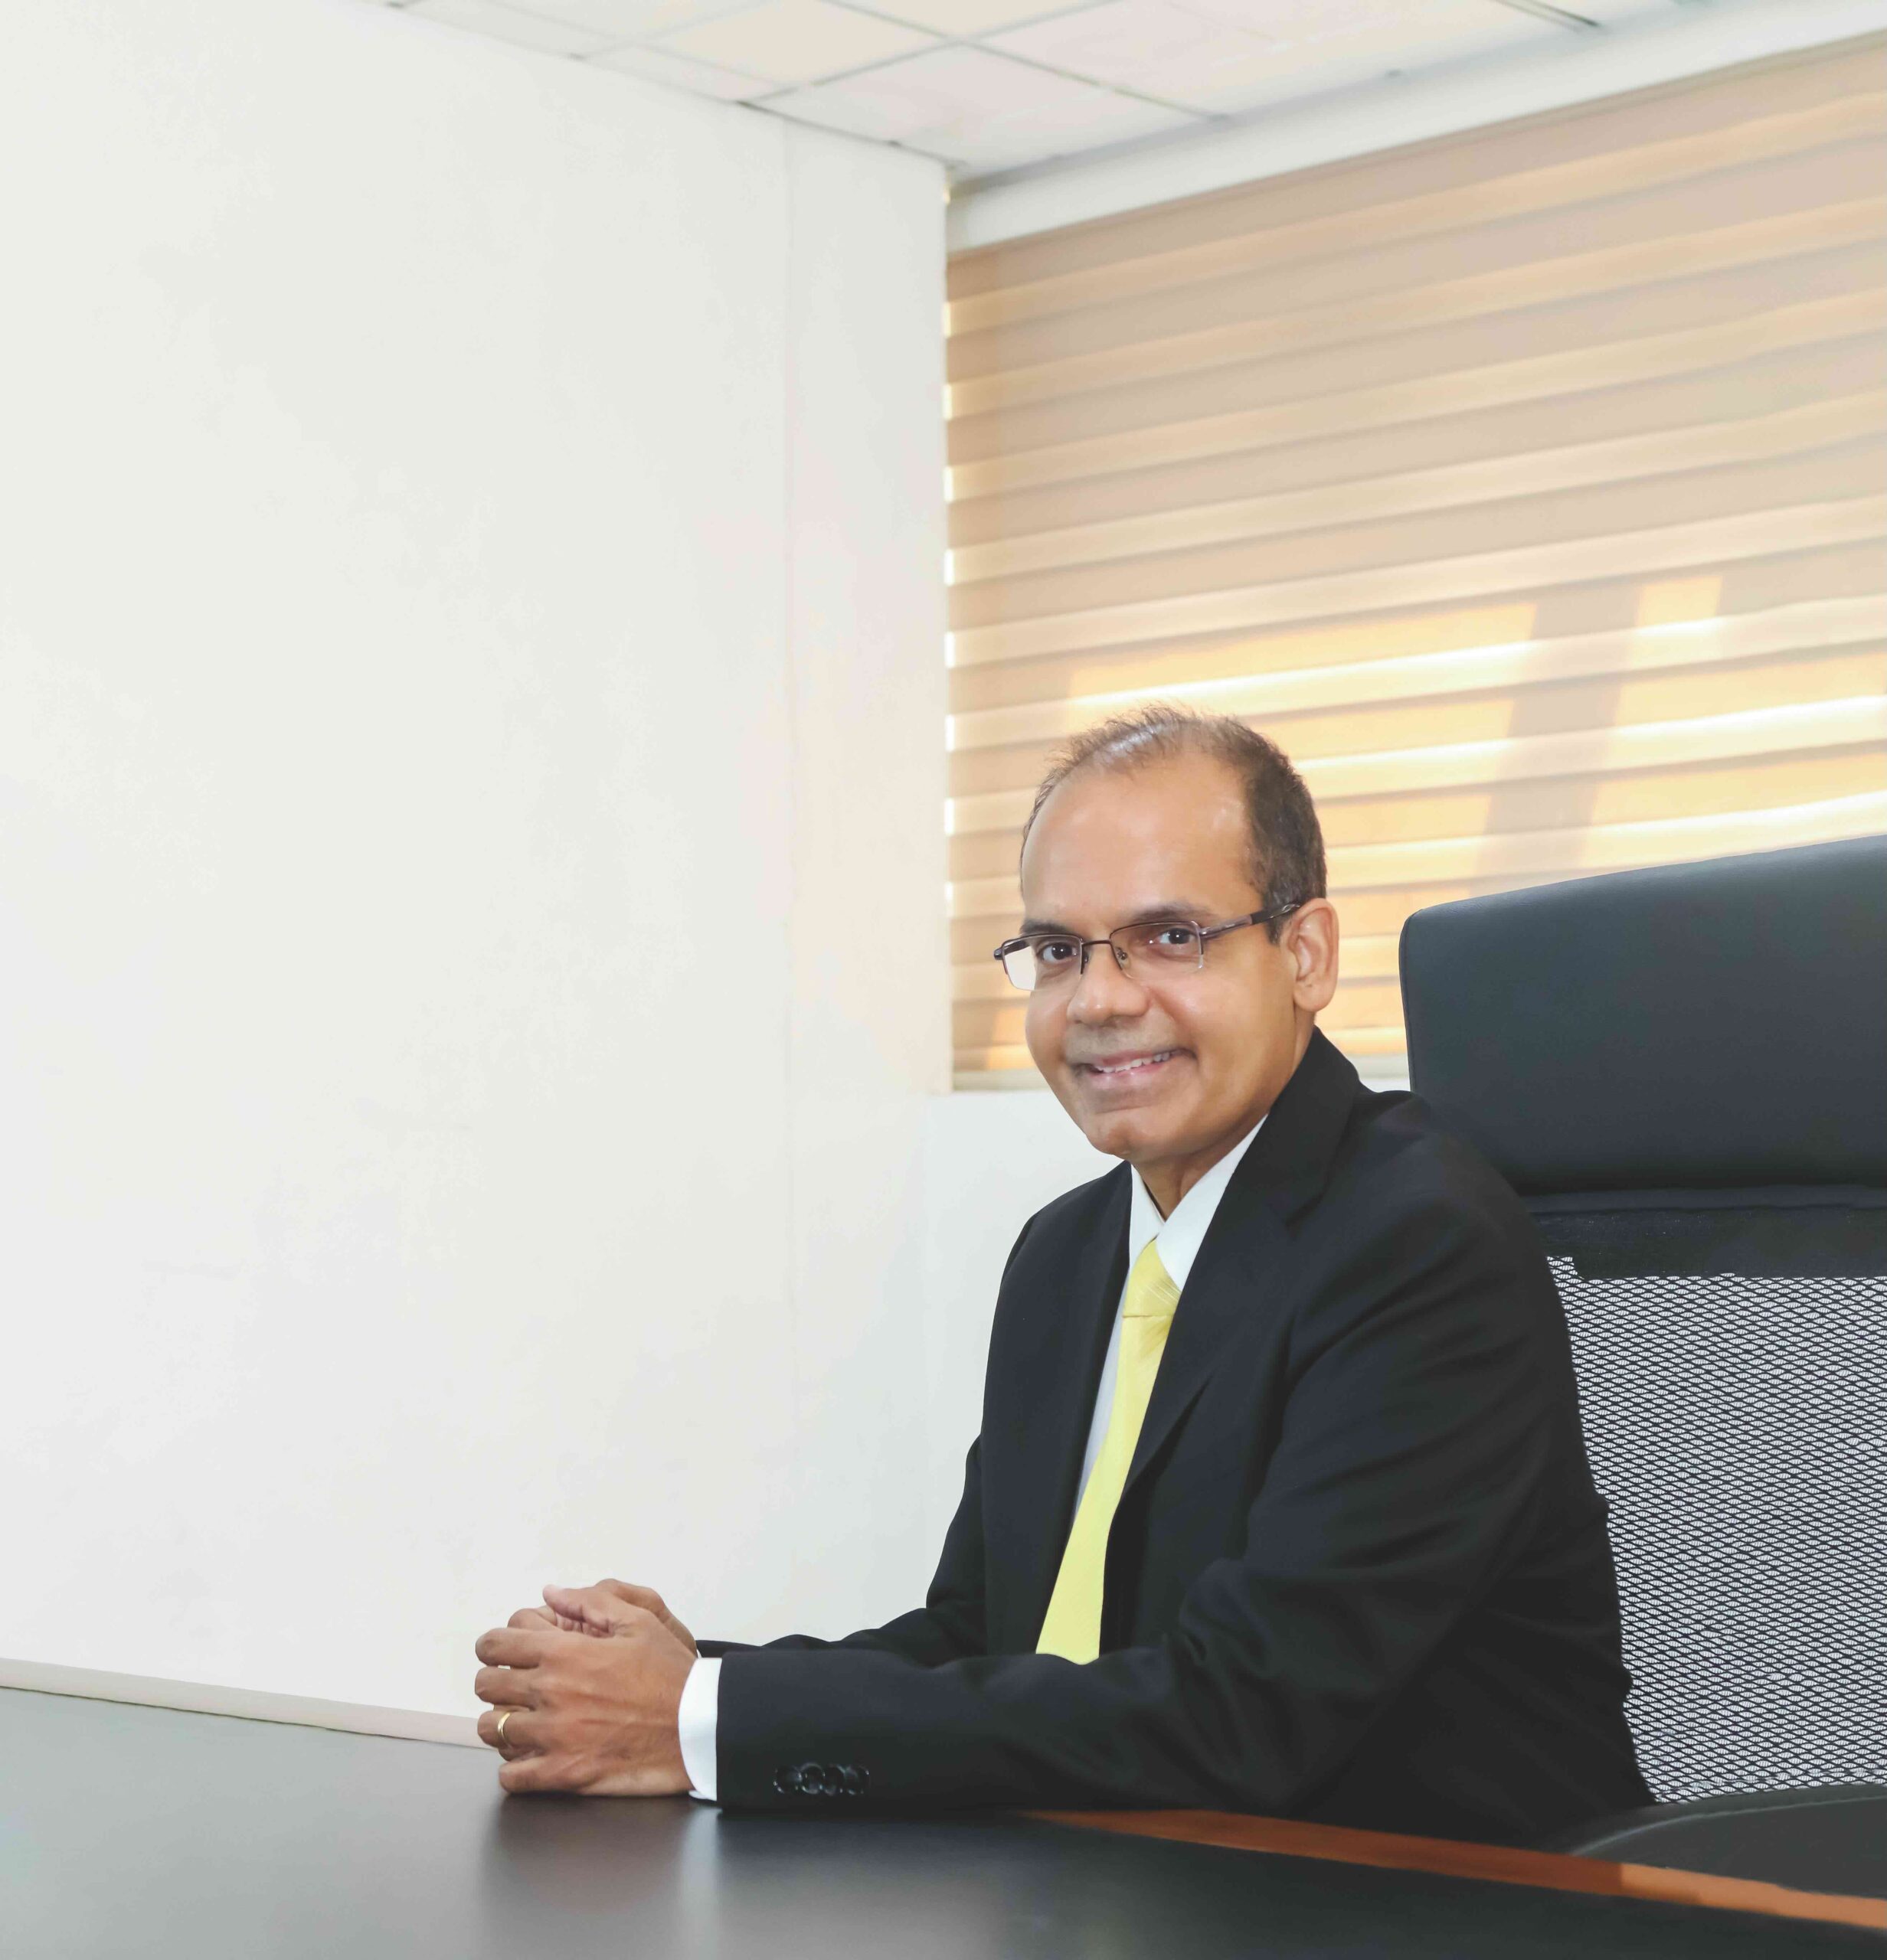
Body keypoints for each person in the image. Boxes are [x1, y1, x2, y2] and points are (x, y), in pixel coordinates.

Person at [471, 706, 1652, 1845]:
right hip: (1143, 1889)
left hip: (1442, 1903)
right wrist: (692, 1685)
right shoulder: (1065, 1256)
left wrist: (702, 1723)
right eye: (1057, 951)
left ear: (1304, 955)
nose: (1099, 999)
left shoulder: (1420, 1241)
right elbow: (990, 1638)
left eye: (1170, 936)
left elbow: (1243, 1714)